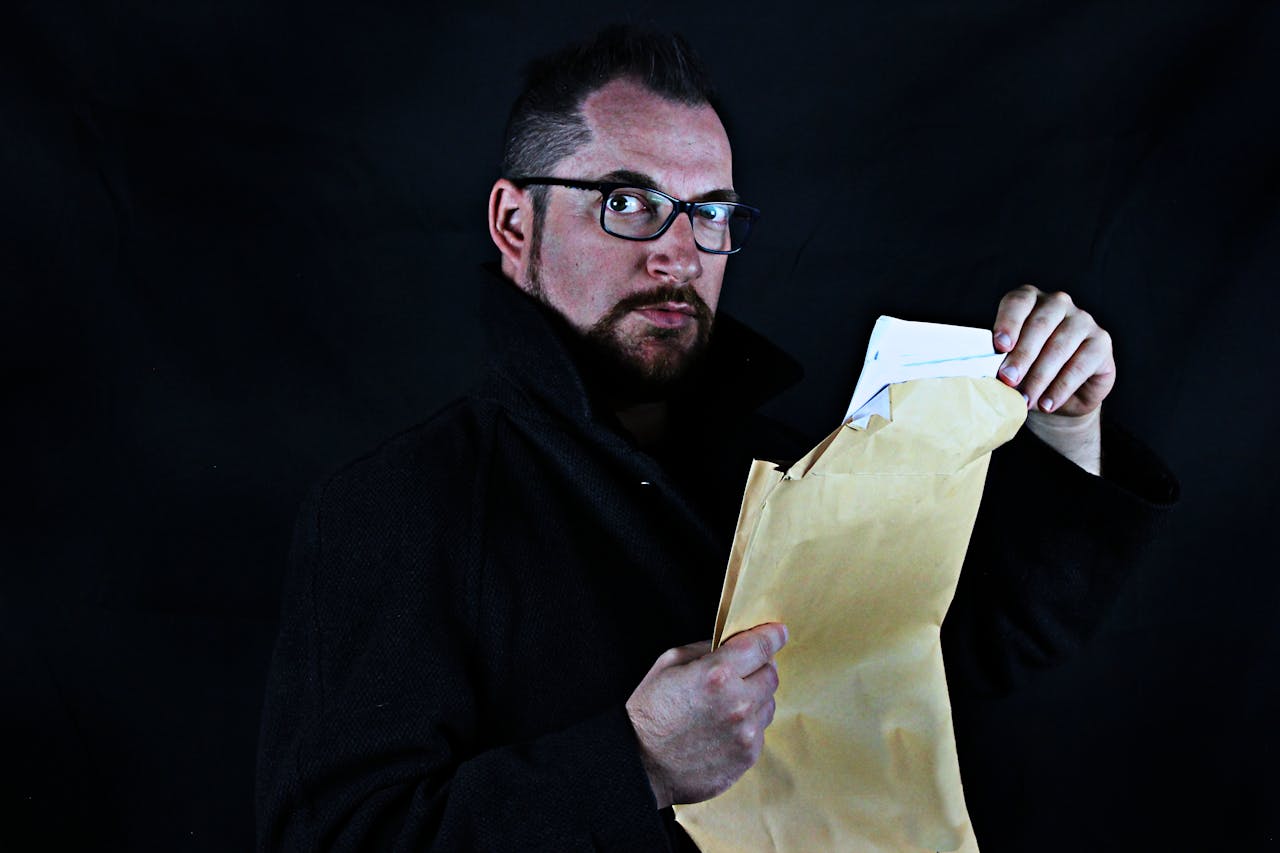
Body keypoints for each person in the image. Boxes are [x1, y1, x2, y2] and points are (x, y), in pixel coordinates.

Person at [256, 25, 1176, 851]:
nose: (680, 252)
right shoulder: (393, 507)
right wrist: (636, 763)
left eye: (710, 212)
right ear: (513, 221)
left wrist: (1065, 421)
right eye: (627, 201)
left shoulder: (798, 461)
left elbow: (969, 651)